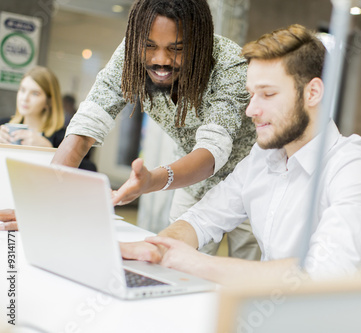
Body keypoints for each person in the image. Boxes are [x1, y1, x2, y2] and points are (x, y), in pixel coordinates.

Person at [120, 24, 361, 284]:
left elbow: (325, 273)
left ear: (313, 93)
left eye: (267, 94)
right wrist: (157, 248)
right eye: (251, 95)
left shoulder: (353, 165)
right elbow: (202, 218)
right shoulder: (264, 157)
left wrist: (197, 263)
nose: (251, 110)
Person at [50, 0, 260, 260]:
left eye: (177, 49)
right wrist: (47, 199)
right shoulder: (131, 53)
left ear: (199, 44)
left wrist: (152, 181)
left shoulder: (229, 63)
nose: (161, 61)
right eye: (150, 46)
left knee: (247, 271)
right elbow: (88, 122)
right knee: (178, 263)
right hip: (192, 182)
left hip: (250, 180)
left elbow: (212, 151)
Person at [0, 66, 65, 148]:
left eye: (35, 93)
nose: (25, 98)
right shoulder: (3, 126)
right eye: (22, 90)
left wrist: (49, 148)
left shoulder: (63, 139)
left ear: (49, 101)